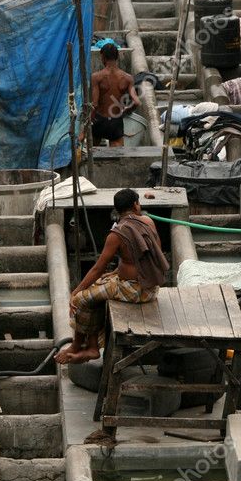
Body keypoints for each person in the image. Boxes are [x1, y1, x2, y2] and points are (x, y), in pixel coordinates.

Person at [55, 188, 169, 365]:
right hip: (151, 288)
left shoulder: (116, 234)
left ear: (117, 210)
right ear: (135, 205)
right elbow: (149, 257)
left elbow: (97, 268)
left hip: (134, 291)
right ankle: (91, 345)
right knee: (99, 286)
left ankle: (81, 346)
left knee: (79, 299)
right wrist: (116, 272)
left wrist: (75, 291)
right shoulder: (148, 222)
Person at [91, 43, 140, 147]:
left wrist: (86, 126)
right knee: (117, 157)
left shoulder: (96, 77)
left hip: (99, 120)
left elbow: (94, 105)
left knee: (92, 153)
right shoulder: (128, 78)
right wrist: (128, 110)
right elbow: (136, 102)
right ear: (117, 57)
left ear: (103, 57)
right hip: (115, 121)